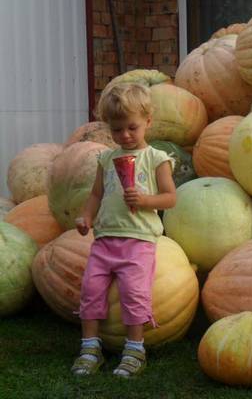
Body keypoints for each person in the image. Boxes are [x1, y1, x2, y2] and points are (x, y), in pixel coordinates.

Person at [71, 82, 176, 377]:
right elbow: (95, 194)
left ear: (148, 122)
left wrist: (145, 201)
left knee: (134, 293)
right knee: (90, 290)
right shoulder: (106, 159)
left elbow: (171, 197)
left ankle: (134, 350)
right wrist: (86, 218)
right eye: (117, 130)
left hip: (138, 241)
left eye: (132, 127)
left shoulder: (156, 158)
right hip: (104, 240)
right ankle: (90, 348)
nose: (125, 135)